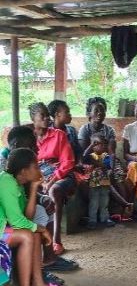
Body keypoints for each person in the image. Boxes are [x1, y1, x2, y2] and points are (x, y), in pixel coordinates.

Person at [0, 126, 78, 284]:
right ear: (16, 145)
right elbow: (16, 217)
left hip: (18, 208)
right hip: (6, 222)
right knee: (32, 230)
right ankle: (35, 274)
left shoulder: (21, 164)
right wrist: (39, 228)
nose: (36, 148)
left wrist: (37, 192)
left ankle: (48, 259)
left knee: (45, 205)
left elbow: (25, 195)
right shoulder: (5, 168)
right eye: (31, 145)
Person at [0, 148, 66, 286]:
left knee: (33, 233)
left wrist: (34, 188)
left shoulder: (18, 184)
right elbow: (17, 222)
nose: (39, 170)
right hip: (2, 231)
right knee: (27, 235)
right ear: (24, 171)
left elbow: (26, 217)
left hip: (5, 229)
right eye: (35, 166)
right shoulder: (6, 182)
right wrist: (42, 229)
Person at [30, 102, 76, 256]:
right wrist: (39, 181)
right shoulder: (29, 138)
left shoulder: (58, 135)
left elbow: (67, 163)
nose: (46, 118)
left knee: (54, 190)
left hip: (61, 175)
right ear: (33, 119)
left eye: (47, 115)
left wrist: (50, 181)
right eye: (42, 115)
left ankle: (56, 241)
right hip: (38, 177)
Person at [78, 97, 129, 214]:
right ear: (89, 114)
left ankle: (125, 210)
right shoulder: (84, 130)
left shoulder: (109, 130)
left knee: (119, 176)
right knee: (95, 179)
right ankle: (102, 212)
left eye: (102, 110)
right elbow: (84, 154)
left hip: (107, 160)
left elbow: (111, 152)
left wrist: (110, 167)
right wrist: (99, 164)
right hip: (91, 162)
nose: (100, 113)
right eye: (96, 110)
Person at [82, 133, 116, 229]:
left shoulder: (106, 156)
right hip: (93, 184)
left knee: (104, 202)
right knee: (94, 202)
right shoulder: (90, 155)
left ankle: (104, 218)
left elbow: (107, 165)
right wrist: (91, 145)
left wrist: (103, 166)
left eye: (104, 144)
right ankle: (92, 220)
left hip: (105, 183)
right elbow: (84, 157)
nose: (102, 146)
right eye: (98, 144)